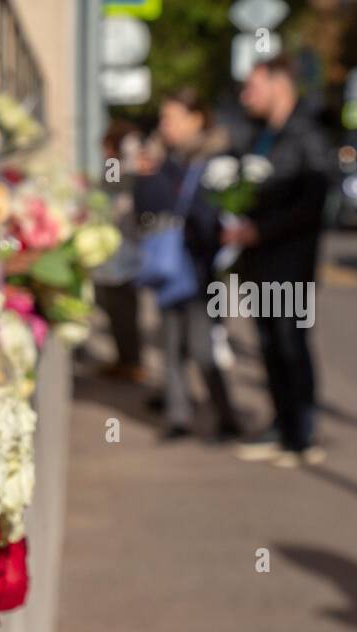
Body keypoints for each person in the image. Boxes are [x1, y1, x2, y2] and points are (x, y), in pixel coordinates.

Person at [226, 55, 331, 468]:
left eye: (252, 86)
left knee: (291, 342)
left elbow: (313, 203)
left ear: (279, 85)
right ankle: (281, 424)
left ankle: (302, 433)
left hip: (290, 262)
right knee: (269, 342)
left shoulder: (306, 135)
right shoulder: (258, 136)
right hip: (260, 261)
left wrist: (262, 230)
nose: (245, 95)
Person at [134, 90, 243, 441]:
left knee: (202, 347)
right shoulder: (163, 161)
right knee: (170, 344)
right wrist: (148, 175)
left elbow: (213, 216)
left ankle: (226, 416)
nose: (165, 126)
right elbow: (146, 208)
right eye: (163, 119)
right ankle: (178, 417)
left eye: (172, 118)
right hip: (170, 265)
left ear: (196, 119)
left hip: (198, 269)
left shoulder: (215, 161)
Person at [94, 119, 146, 383]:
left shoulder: (120, 167)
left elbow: (110, 198)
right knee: (120, 309)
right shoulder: (125, 168)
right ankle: (126, 360)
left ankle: (132, 362)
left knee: (124, 308)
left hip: (121, 249)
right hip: (121, 249)